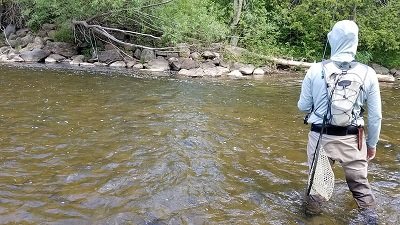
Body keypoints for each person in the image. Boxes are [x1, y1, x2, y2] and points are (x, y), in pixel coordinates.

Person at [297, 20, 382, 221]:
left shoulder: (315, 69)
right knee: (360, 187)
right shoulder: (368, 73)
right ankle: (371, 220)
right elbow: (376, 116)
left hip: (320, 138)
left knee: (317, 188)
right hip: (353, 140)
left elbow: (302, 106)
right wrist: (371, 144)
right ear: (355, 41)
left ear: (333, 39)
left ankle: (310, 219)